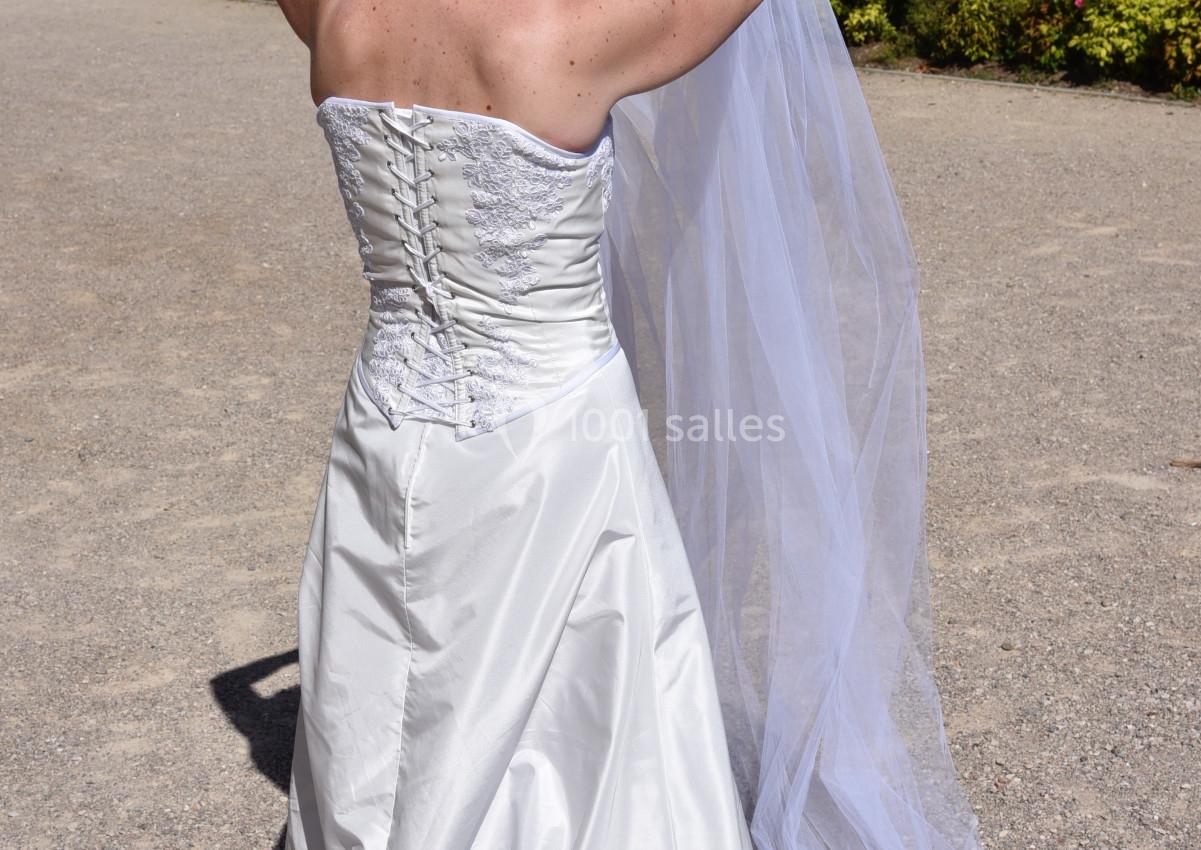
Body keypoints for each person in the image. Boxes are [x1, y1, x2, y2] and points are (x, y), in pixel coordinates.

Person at [275, 0, 982, 848]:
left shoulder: (342, 19)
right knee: (584, 730)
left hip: (383, 428)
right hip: (553, 449)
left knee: (384, 694)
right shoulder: (568, 36)